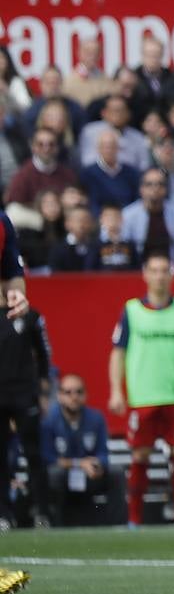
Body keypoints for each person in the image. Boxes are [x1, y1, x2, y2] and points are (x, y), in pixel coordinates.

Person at [108, 253, 174, 528]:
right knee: (140, 455)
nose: (159, 276)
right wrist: (116, 391)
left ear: (171, 275)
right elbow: (117, 353)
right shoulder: (131, 310)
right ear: (145, 274)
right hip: (143, 395)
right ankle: (134, 519)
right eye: (154, 270)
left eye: (164, 271)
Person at [0, 223, 50, 529]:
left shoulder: (28, 316)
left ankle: (41, 511)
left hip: (23, 391)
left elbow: (43, 356)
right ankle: (3, 512)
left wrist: (43, 389)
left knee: (33, 453)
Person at [41, 374, 115, 526]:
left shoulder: (96, 418)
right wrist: (78, 464)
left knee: (117, 474)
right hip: (63, 476)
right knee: (55, 474)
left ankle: (117, 527)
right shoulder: (49, 421)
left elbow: (103, 453)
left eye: (79, 392)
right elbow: (47, 457)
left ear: (85, 395)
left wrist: (98, 464)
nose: (74, 397)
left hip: (90, 475)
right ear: (60, 396)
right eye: (68, 392)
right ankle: (54, 525)